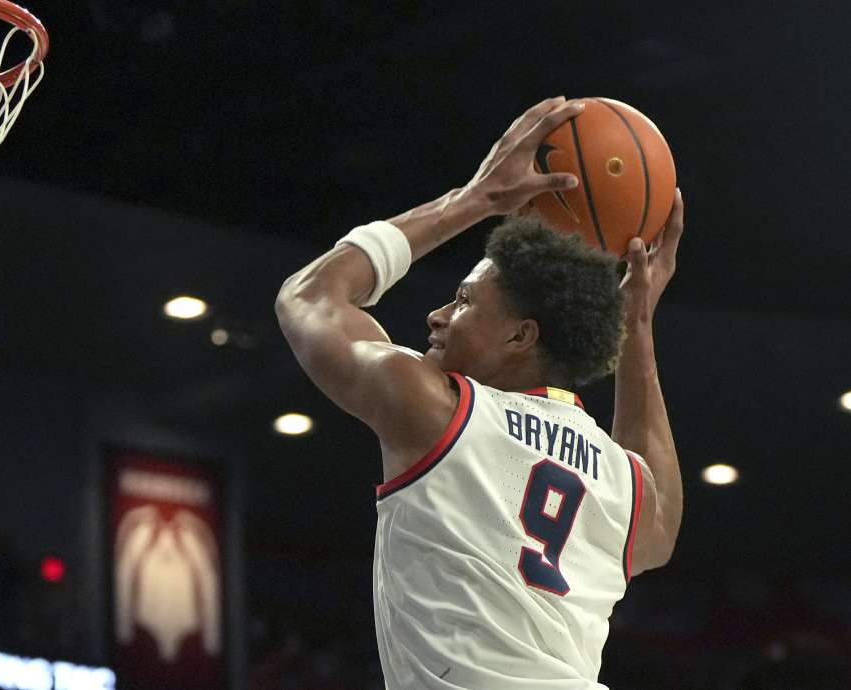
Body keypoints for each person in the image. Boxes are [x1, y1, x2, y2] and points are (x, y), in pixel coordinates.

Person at [274, 96, 684, 689]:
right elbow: (662, 516)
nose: (438, 315)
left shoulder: (439, 411)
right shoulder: (621, 480)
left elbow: (309, 298)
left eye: (464, 301)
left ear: (520, 335)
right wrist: (638, 324)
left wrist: (476, 198)